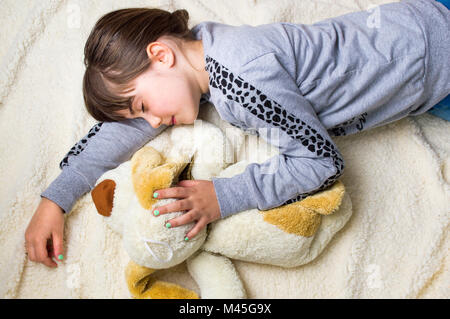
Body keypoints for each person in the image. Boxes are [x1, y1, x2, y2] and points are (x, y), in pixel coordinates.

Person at [25, 0, 449, 268]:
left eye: (142, 105)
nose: (150, 122)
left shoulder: (244, 78)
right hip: (422, 52)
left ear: (160, 54)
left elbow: (321, 162)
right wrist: (56, 197)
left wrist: (223, 196)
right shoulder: (205, 54)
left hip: (436, 52)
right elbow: (124, 127)